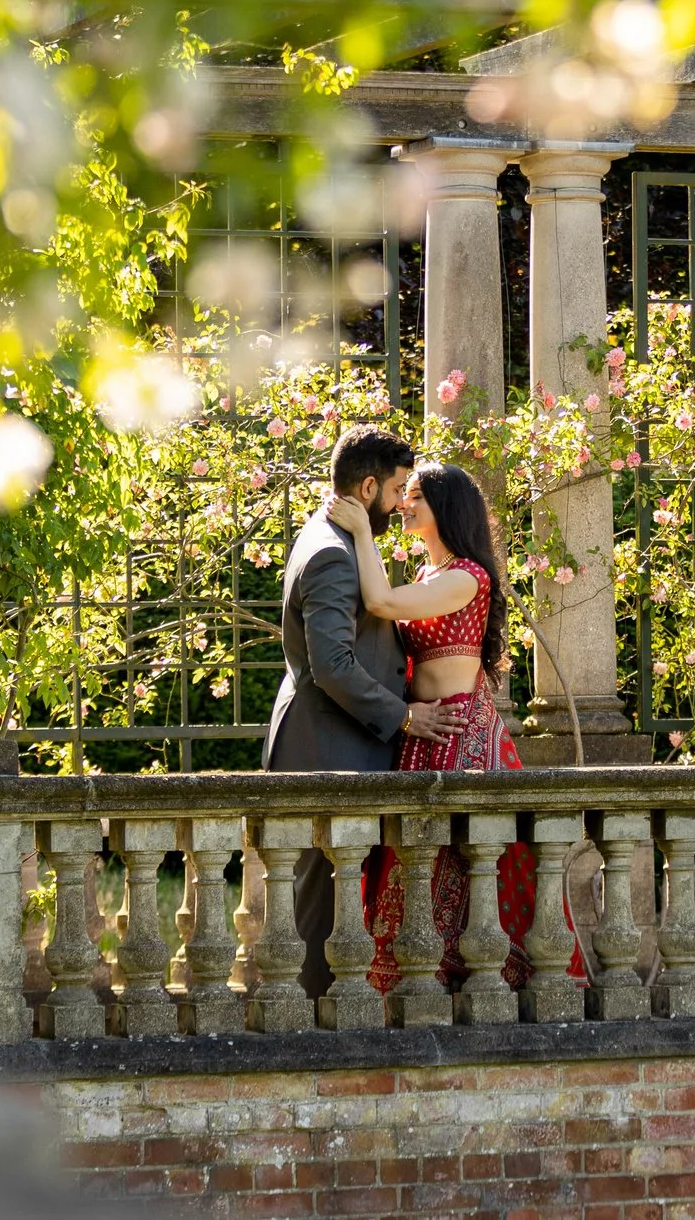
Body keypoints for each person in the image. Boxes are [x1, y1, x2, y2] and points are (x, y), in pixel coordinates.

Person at [327, 462, 581, 992]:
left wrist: (358, 531)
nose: (403, 505)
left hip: (462, 737)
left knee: (473, 868)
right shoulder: (428, 577)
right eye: (405, 495)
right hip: (421, 737)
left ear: (446, 508)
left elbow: (381, 601)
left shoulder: (469, 576)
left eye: (415, 496)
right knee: (413, 871)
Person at [264, 426, 467, 999]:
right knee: (322, 906)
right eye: (399, 488)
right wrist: (406, 717)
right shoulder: (331, 553)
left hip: (338, 745)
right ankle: (310, 1031)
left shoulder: (337, 539)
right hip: (329, 749)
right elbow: (331, 664)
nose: (403, 501)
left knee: (335, 899)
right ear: (369, 486)